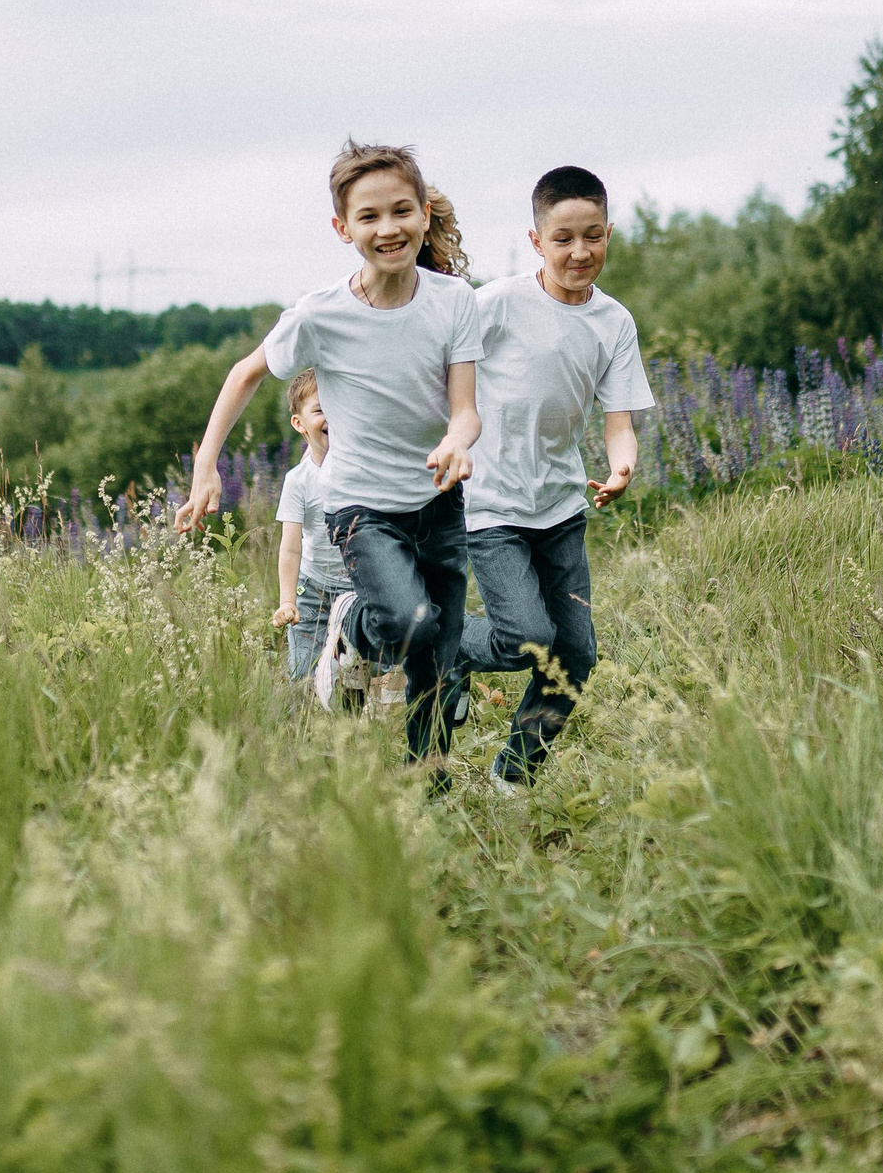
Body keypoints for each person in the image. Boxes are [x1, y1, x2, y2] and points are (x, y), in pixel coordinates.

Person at [176, 141, 482, 769]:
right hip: (363, 507)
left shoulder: (455, 302)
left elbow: (466, 408)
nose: (388, 228)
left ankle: (429, 779)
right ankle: (350, 626)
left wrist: (457, 439)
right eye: (369, 216)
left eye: (401, 211)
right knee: (410, 622)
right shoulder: (321, 314)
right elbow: (244, 373)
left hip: (439, 502)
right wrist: (207, 466)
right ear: (344, 228)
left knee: (438, 655)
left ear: (424, 214)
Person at [461, 165, 652, 787]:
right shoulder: (498, 304)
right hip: (490, 504)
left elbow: (618, 421)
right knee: (524, 638)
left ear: (608, 233)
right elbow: (440, 367)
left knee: (575, 653)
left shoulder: (614, 323)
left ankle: (513, 775)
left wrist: (622, 465)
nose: (579, 252)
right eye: (563, 239)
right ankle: (445, 646)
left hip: (561, 506)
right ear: (537, 240)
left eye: (593, 236)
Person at [272, 371, 352, 682]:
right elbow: (291, 547)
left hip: (360, 587)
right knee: (304, 673)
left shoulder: (364, 472)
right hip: (313, 590)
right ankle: (303, 711)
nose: (331, 416)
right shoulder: (298, 481)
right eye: (320, 410)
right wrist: (287, 601)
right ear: (299, 423)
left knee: (356, 672)